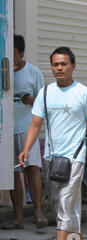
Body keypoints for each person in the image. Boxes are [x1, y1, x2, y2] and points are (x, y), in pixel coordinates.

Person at [18, 47, 87, 240]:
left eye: (64, 64)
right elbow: (35, 124)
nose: (59, 68)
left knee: (65, 203)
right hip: (51, 159)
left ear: (73, 66)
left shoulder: (84, 93)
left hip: (75, 158)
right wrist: (26, 149)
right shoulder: (46, 93)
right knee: (63, 206)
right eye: (55, 64)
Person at [2, 35, 47, 230]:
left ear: (20, 53)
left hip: (28, 128)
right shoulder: (3, 71)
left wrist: (32, 101)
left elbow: (44, 101)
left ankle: (38, 214)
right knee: (13, 173)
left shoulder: (33, 72)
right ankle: (18, 217)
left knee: (33, 169)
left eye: (13, 54)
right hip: (6, 129)